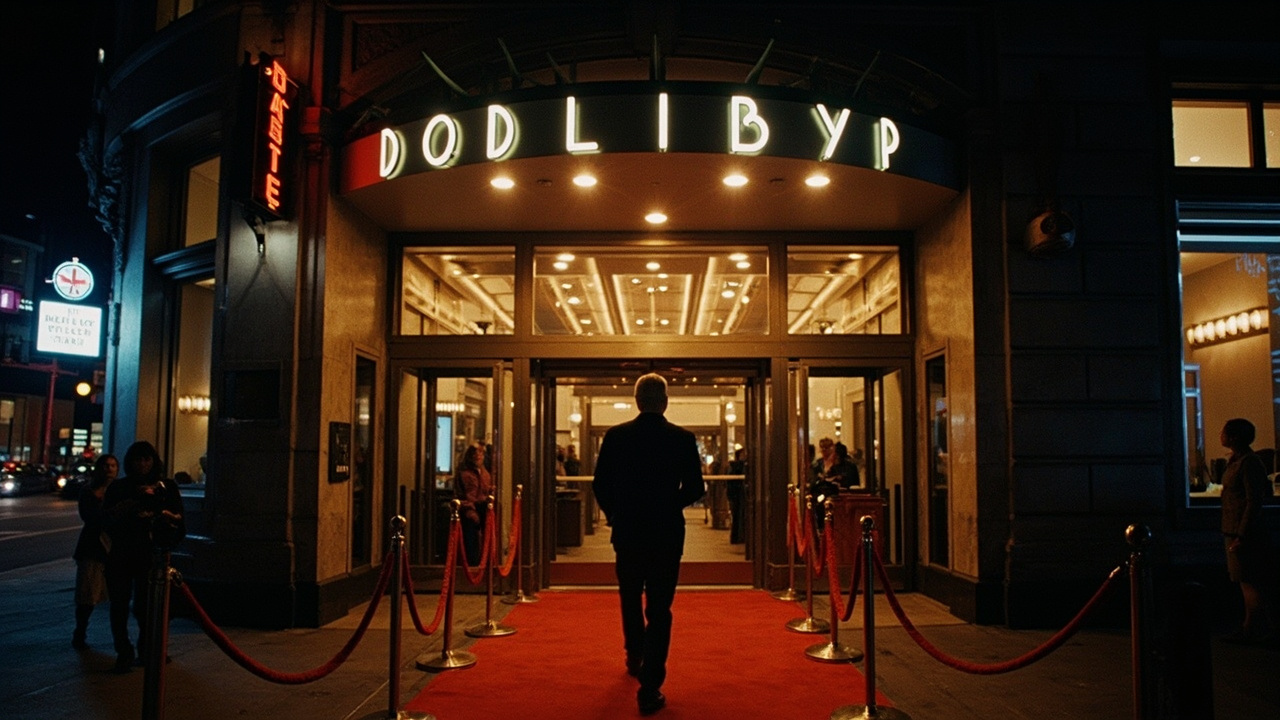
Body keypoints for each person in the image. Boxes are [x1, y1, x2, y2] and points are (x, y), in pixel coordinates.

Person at [592, 372, 706, 715]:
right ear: (665, 401)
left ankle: (633, 655)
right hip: (666, 533)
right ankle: (650, 684)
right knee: (659, 608)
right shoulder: (682, 439)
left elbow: (600, 484)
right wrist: (669, 504)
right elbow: (697, 489)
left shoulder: (616, 437)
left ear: (638, 401)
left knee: (629, 595)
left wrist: (616, 513)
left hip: (627, 532)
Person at [102, 441, 185, 672]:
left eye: (147, 459)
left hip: (151, 554)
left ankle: (148, 648)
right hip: (122, 552)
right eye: (138, 459)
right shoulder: (120, 488)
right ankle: (124, 651)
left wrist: (161, 514)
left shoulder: (165, 487)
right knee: (119, 604)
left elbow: (178, 521)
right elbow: (107, 519)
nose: (142, 464)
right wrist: (130, 505)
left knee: (146, 606)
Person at [1218, 418, 1274, 643]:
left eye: (1224, 432)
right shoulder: (1237, 460)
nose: (1220, 435)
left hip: (1242, 531)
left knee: (1249, 580)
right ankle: (1253, 626)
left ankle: (1255, 627)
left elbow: (1254, 500)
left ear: (1233, 436)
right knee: (1246, 580)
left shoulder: (1249, 463)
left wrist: (1242, 533)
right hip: (1234, 529)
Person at [72, 453, 118, 650]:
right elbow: (89, 518)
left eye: (113, 466)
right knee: (87, 594)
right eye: (106, 465)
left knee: (117, 596)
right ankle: (80, 631)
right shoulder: (88, 491)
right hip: (92, 547)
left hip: (114, 547)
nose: (109, 469)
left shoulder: (119, 490)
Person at [456, 442, 493, 566]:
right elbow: (461, 495)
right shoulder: (463, 473)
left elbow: (485, 491)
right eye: (475, 453)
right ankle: (472, 563)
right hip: (468, 509)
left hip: (483, 507)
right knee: (471, 535)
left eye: (481, 453)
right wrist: (470, 511)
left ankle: (485, 561)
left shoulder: (484, 472)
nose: (478, 455)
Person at [726, 447, 747, 544]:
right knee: (738, 516)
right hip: (737, 495)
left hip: (734, 495)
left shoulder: (733, 467)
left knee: (737, 517)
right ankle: (738, 537)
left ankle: (737, 537)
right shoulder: (738, 467)